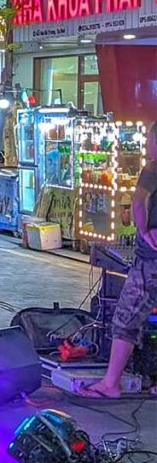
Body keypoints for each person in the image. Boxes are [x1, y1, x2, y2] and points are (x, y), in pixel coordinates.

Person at [79, 123, 157, 398]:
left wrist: (145, 229)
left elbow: (138, 203)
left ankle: (111, 383)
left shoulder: (152, 168)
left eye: (149, 139)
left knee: (126, 318)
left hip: (151, 261)